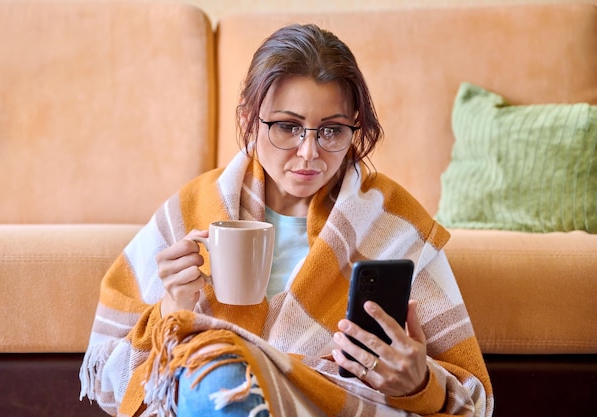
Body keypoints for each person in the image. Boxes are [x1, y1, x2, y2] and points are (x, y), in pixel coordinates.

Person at [79, 23, 493, 417]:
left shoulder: (393, 226)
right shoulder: (193, 210)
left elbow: (475, 401)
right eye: (288, 126)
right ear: (248, 119)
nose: (309, 152)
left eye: (331, 131)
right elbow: (108, 381)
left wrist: (420, 382)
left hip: (340, 404)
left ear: (356, 128)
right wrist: (172, 307)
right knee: (218, 378)